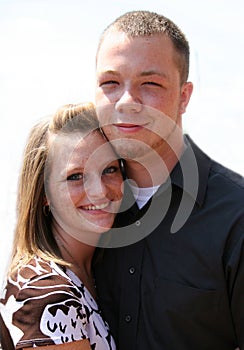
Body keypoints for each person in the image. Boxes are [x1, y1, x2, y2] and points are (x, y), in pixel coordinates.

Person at [93, 10, 244, 350]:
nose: (127, 102)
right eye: (110, 83)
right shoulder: (83, 207)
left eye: (150, 84)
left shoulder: (237, 217)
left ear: (184, 96)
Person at [0, 102, 123, 349]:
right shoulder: (44, 294)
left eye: (109, 169)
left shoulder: (104, 272)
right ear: (44, 194)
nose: (99, 191)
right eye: (75, 176)